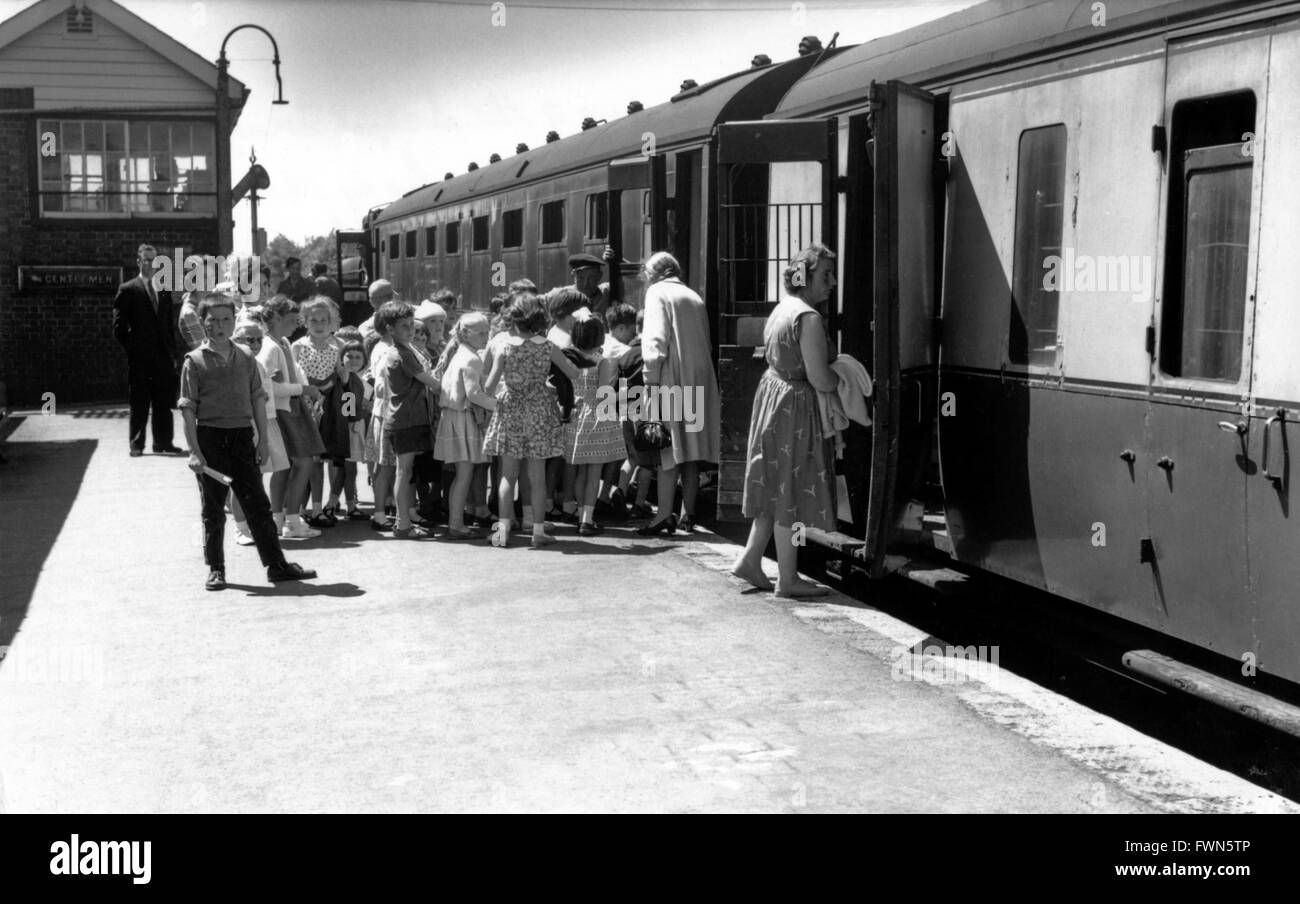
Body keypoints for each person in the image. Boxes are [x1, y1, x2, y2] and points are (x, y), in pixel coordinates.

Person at [178, 296, 317, 591]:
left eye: (226, 319)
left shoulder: (245, 357)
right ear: (203, 323)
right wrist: (194, 451)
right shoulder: (194, 360)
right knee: (213, 509)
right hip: (210, 439)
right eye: (212, 320)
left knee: (258, 506)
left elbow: (258, 398)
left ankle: (276, 566)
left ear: (233, 322)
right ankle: (216, 569)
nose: (219, 326)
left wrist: (262, 442)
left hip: (243, 437)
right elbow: (188, 409)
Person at [732, 244, 839, 598]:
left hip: (773, 397)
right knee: (791, 490)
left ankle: (750, 559)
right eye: (825, 275)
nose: (832, 282)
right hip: (794, 407)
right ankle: (788, 578)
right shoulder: (809, 318)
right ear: (803, 277)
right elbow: (820, 378)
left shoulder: (783, 308)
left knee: (776, 487)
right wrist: (847, 379)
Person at [482, 295, 579, 548]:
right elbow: (573, 372)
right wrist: (548, 386)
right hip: (539, 413)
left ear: (513, 321)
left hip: (510, 412)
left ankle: (501, 534)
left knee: (507, 476)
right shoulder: (547, 346)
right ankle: (537, 531)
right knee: (537, 477)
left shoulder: (505, 347)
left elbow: (489, 388)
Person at [637, 251, 720, 536]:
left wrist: (650, 380)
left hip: (671, 377)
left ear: (652, 275)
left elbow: (655, 340)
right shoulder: (693, 296)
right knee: (692, 452)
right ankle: (688, 514)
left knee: (668, 449)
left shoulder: (657, 293)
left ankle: (663, 515)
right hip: (698, 380)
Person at [256, 296, 325, 539]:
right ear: (274, 319)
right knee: (300, 464)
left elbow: (294, 372)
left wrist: (306, 388)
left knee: (287, 467)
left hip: (293, 409)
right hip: (284, 411)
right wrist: (303, 390)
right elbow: (269, 387)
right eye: (291, 320)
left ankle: (283, 520)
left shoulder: (282, 341)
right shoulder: (269, 347)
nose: (296, 325)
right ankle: (288, 521)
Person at [373, 301, 442, 539]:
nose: (411, 330)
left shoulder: (404, 351)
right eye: (404, 326)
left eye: (412, 324)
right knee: (404, 472)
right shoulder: (402, 353)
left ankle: (404, 522)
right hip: (406, 420)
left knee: (406, 472)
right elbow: (431, 381)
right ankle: (403, 525)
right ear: (390, 329)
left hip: (405, 419)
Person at [113, 244, 184, 456]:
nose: (150, 264)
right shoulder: (128, 289)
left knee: (163, 401)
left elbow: (167, 326)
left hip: (162, 357)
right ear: (138, 261)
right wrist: (133, 350)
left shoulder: (163, 290)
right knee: (140, 401)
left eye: (154, 260)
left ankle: (163, 442)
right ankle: (136, 444)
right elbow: (119, 328)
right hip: (140, 358)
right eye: (146, 259)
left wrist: (172, 353)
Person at [230, 315, 290, 547]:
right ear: (236, 340)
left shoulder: (258, 364)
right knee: (243, 479)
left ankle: (257, 523)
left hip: (266, 423)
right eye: (248, 340)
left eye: (258, 340)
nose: (254, 345)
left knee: (258, 477)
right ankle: (241, 527)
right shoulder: (236, 364)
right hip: (247, 426)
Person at [434, 313, 496, 539]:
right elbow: (474, 394)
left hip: (455, 416)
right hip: (463, 418)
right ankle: (456, 524)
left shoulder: (462, 354)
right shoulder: (471, 358)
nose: (485, 336)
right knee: (464, 474)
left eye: (486, 331)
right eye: (480, 332)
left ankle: (456, 522)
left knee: (462, 473)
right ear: (465, 333)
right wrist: (499, 405)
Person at [563, 316, 625, 536]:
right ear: (599, 336)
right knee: (595, 472)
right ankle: (587, 520)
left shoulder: (568, 358)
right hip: (598, 417)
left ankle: (580, 514)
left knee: (580, 470)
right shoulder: (602, 361)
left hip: (575, 416)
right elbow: (603, 393)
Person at [292, 296, 346, 528]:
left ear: (332, 321)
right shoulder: (297, 346)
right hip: (304, 408)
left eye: (324, 319)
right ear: (305, 321)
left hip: (328, 410)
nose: (319, 324)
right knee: (304, 460)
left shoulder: (338, 346)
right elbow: (294, 377)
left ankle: (317, 508)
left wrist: (349, 414)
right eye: (313, 319)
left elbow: (345, 381)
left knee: (320, 461)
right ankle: (297, 508)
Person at [567, 252, 610, 318]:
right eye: (580, 278)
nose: (585, 284)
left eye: (591, 277)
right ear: (573, 276)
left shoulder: (606, 291)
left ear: (599, 276)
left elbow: (630, 277)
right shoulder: (564, 297)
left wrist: (615, 262)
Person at [359, 279, 396, 348]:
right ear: (389, 299)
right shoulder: (403, 322)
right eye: (392, 296)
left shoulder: (363, 328)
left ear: (371, 301)